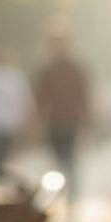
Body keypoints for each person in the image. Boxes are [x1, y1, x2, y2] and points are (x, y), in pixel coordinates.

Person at [34, 27, 92, 204]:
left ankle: (73, 196)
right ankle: (60, 195)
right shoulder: (47, 71)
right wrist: (36, 123)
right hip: (54, 121)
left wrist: (87, 119)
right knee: (58, 161)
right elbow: (40, 98)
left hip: (71, 120)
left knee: (71, 160)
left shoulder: (75, 68)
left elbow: (84, 95)